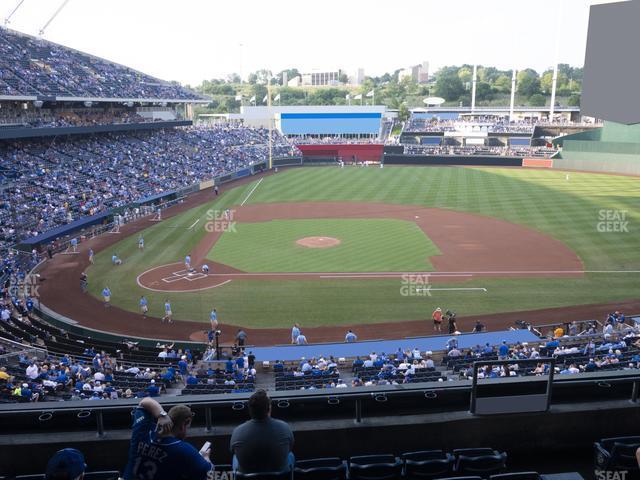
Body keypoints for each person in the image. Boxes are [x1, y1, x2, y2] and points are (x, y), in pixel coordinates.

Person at [123, 397, 213, 480]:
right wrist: (206, 458)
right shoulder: (185, 450)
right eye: (188, 427)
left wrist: (162, 415)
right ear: (184, 424)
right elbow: (210, 474)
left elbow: (144, 402)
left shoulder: (142, 430)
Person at [230, 390, 294, 473]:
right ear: (269, 409)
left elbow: (232, 450)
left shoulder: (237, 431)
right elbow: (290, 448)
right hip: (279, 476)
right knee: (291, 455)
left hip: (248, 476)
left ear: (250, 410)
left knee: (235, 457)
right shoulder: (284, 427)